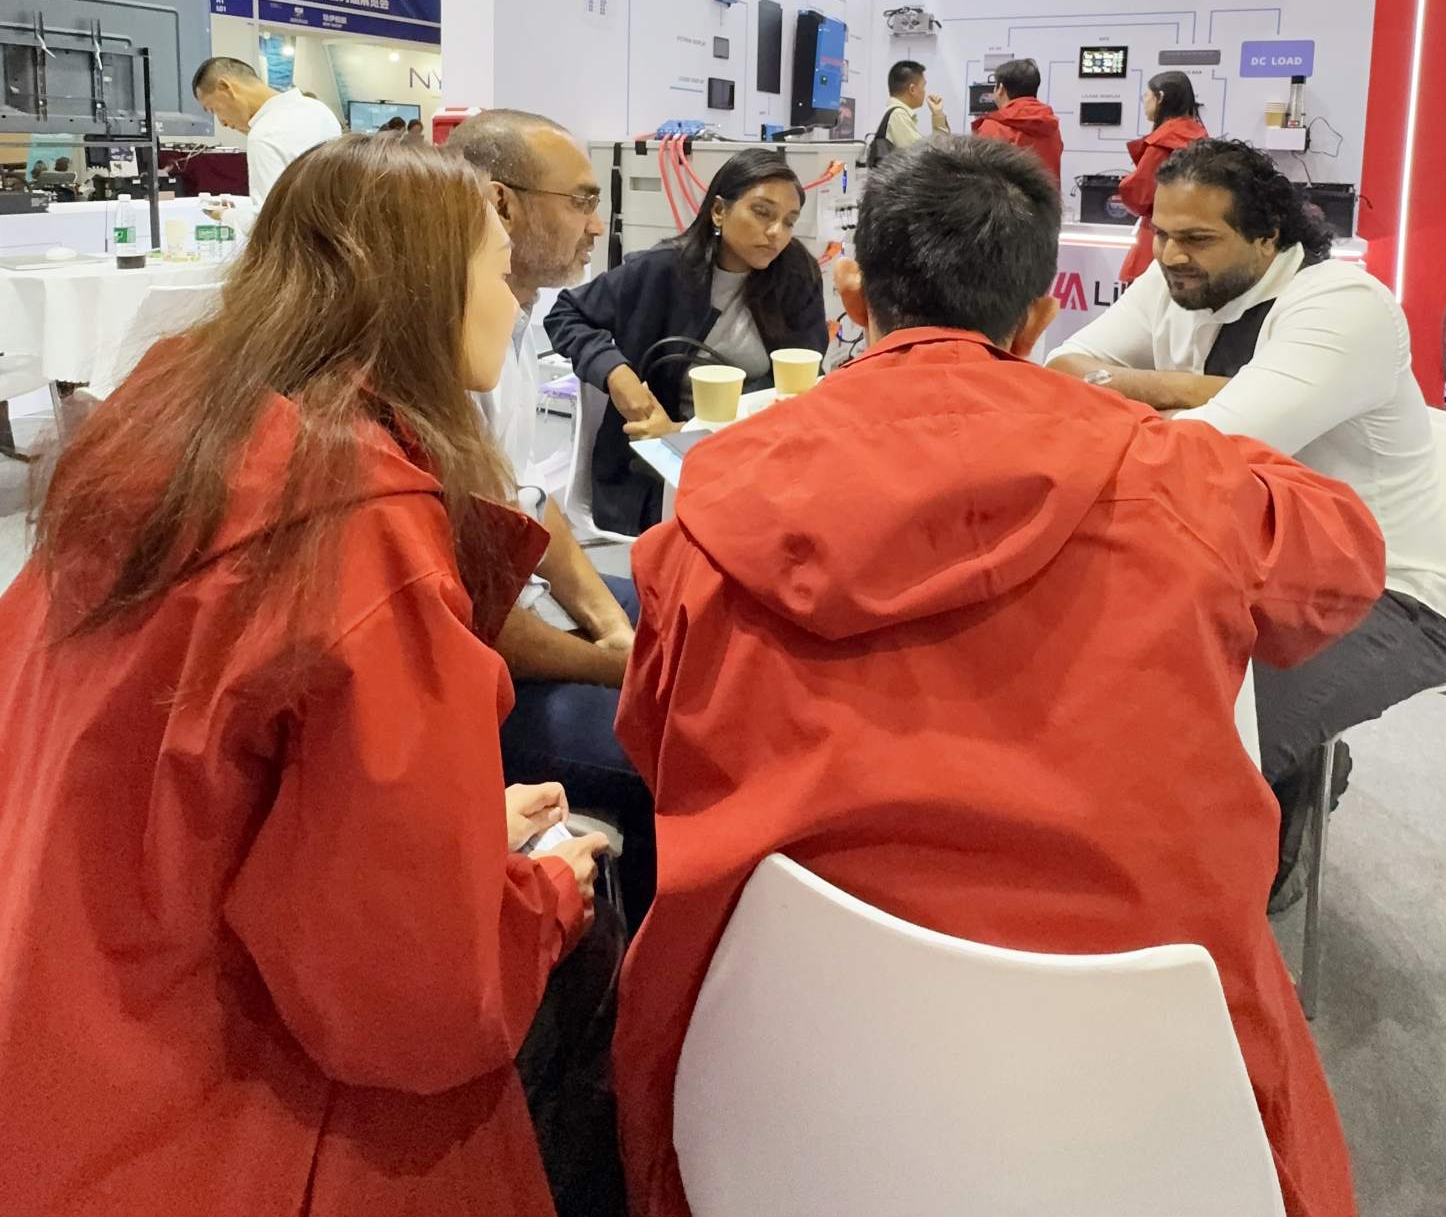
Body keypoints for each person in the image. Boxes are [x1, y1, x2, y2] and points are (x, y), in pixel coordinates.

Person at [613, 136, 1383, 1217]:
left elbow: (653, 742)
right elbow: (1342, 569)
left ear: (853, 294)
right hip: (1149, 1085)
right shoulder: (1186, 481)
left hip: (773, 1075)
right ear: (1036, 321)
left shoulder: (711, 502)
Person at [0, 133, 622, 1217]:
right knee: (593, 899)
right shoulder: (361, 526)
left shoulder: (168, 423)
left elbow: (209, 778)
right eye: (494, 269)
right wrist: (538, 901)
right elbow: (415, 997)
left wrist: (449, 837)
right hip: (224, 1104)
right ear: (426, 288)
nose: (510, 302)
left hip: (67, 1002)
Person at [1050, 138, 1446, 903]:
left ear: (1268, 237)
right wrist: (1190, 384)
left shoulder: (1341, 307)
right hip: (1231, 561)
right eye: (1162, 233)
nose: (1170, 255)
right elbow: (1064, 374)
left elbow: (1202, 451)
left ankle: (1272, 823)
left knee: (1189, 765)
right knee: (1087, 690)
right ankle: (1291, 764)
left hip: (1387, 597)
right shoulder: (1177, 282)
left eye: (1197, 238)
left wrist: (1154, 392)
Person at [451, 109, 653, 927]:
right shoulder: (450, 357)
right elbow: (479, 618)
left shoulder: (515, 324)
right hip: (480, 672)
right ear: (500, 205)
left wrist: (613, 629)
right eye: (580, 201)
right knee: (672, 740)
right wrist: (620, 669)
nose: (596, 225)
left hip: (518, 611)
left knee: (685, 618)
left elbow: (531, 505)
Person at [546, 148, 827, 536]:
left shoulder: (796, 279)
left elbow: (803, 383)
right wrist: (615, 372)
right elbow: (565, 314)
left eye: (789, 221)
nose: (776, 232)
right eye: (763, 212)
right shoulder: (661, 270)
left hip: (756, 454)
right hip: (658, 471)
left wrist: (694, 433)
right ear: (719, 211)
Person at [192, 55, 341, 232]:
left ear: (225, 87)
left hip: (301, 245)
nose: (222, 123)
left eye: (213, 110)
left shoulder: (264, 135)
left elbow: (268, 225)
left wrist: (224, 215)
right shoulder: (320, 110)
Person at [1118, 68, 1207, 280]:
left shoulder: (1163, 143)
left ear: (1160, 97)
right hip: (1193, 241)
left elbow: (1138, 196)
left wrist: (1125, 182)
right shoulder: (1199, 137)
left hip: (1158, 239)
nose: (1144, 102)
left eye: (1146, 96)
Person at [971, 56, 1064, 185]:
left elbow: (980, 176)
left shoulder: (992, 126)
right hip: (1046, 197)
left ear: (1000, 89)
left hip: (1007, 198)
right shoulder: (1050, 126)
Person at [871, 58, 949, 156]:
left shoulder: (894, 113)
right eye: (923, 87)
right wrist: (938, 116)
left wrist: (937, 114)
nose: (924, 91)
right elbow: (926, 157)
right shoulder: (898, 115)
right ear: (912, 89)